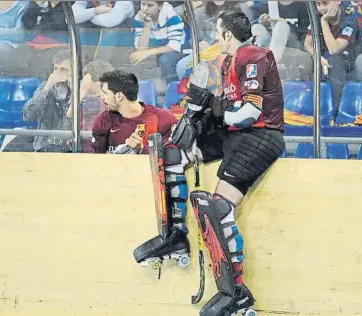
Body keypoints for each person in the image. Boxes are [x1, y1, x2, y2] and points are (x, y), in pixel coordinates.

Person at [175, 10, 285, 315]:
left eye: (218, 32)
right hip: (238, 134)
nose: (214, 37)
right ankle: (171, 234)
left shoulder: (252, 55)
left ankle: (237, 293)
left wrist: (214, 108)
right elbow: (228, 108)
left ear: (228, 35)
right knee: (176, 148)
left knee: (219, 209)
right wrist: (202, 111)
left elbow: (248, 113)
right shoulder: (228, 61)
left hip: (259, 136)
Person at [91, 70, 190, 263]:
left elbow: (173, 163)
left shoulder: (164, 120)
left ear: (119, 96)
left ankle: (174, 238)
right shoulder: (104, 121)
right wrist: (125, 151)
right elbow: (96, 162)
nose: (100, 97)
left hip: (151, 198)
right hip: (113, 196)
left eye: (104, 92)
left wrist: (142, 150)